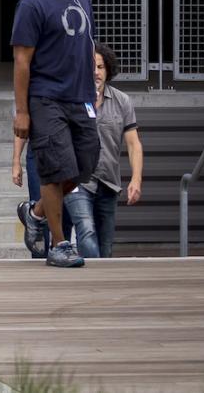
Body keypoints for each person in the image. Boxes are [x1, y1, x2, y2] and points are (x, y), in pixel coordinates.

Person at [13, 0, 100, 269]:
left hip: (81, 98)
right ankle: (59, 244)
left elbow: (86, 42)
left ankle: (34, 212)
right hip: (46, 98)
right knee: (54, 171)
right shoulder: (32, 3)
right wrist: (22, 111)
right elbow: (21, 61)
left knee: (84, 166)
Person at [83, 41, 143, 257]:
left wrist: (136, 179)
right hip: (80, 181)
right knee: (86, 233)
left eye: (100, 67)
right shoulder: (73, 99)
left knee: (105, 246)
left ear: (108, 69)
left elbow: (133, 143)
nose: (96, 72)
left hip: (109, 183)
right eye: (91, 66)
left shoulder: (122, 101)